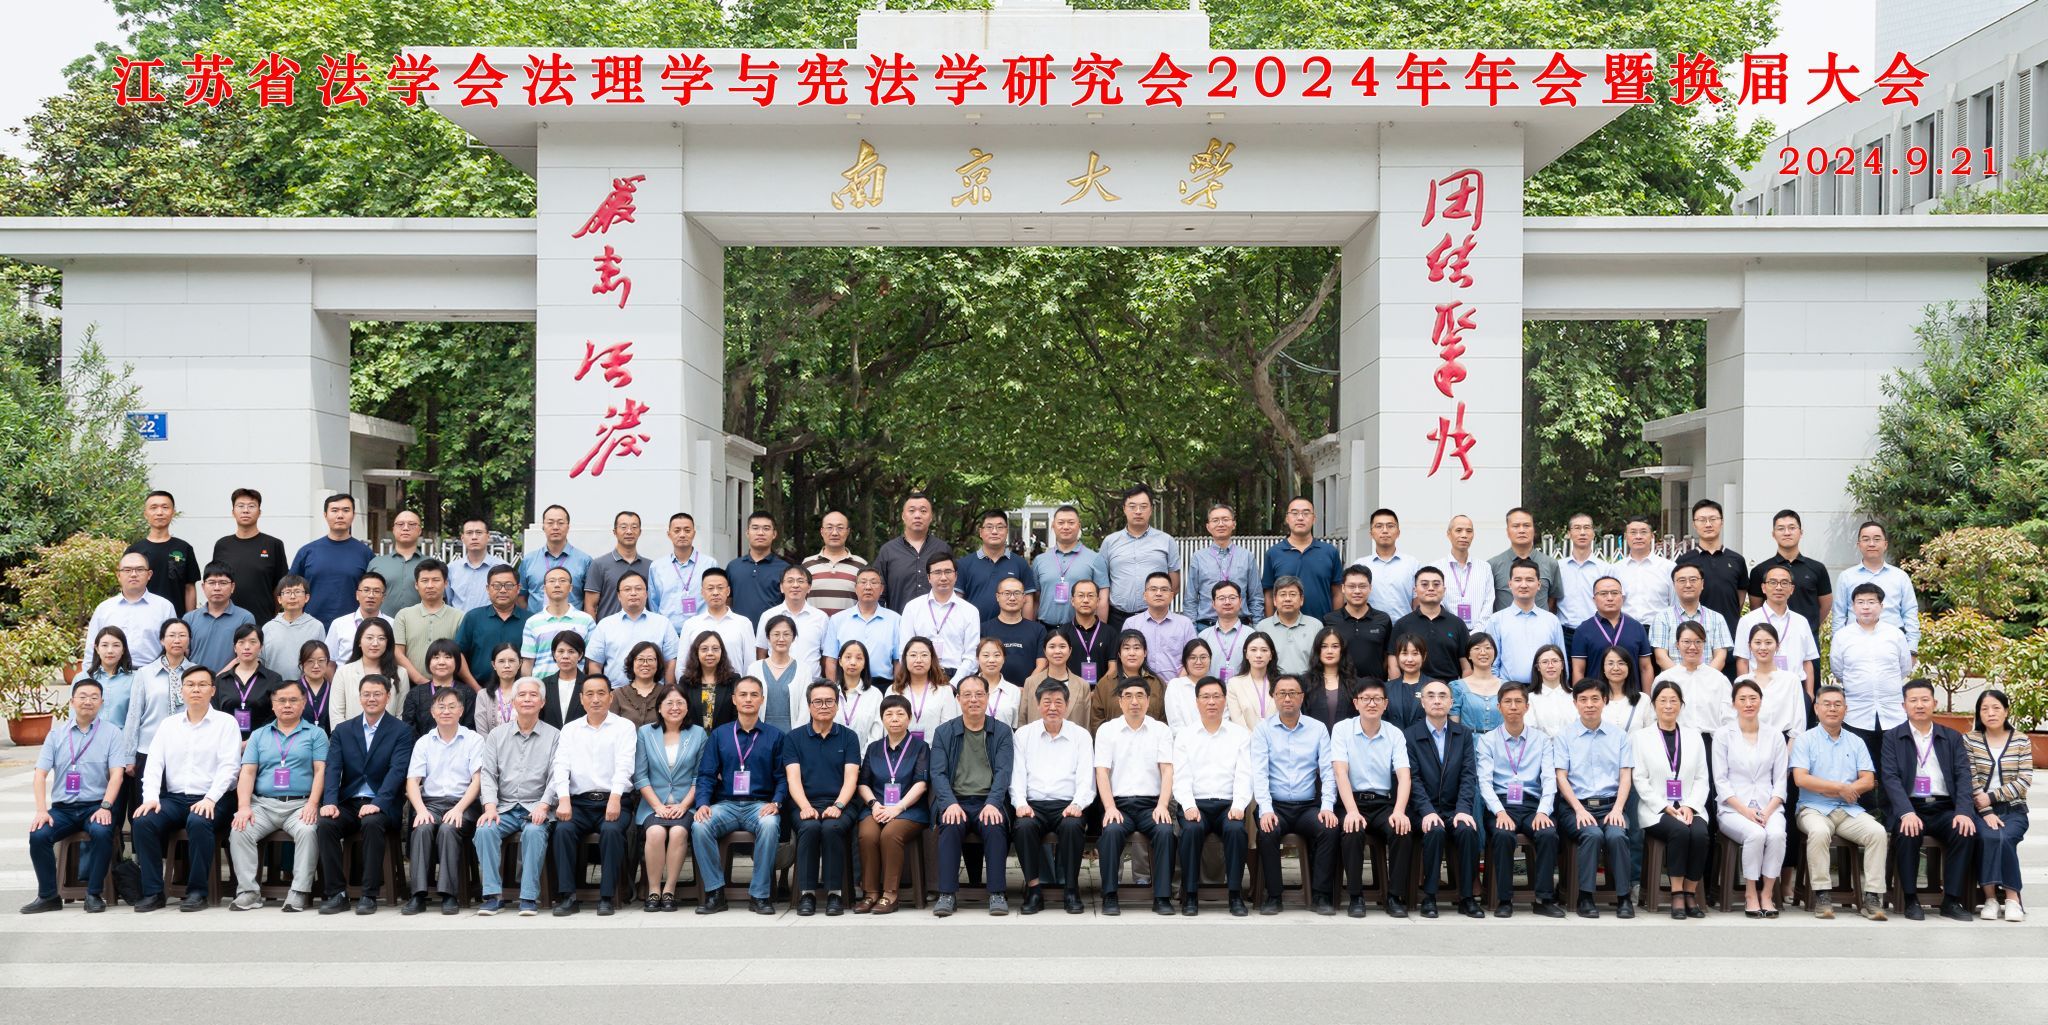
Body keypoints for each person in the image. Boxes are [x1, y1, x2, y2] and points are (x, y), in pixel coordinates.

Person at [130, 666, 241, 912]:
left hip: (215, 799)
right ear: (182, 691)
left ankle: (197, 892)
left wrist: (210, 799)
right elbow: (154, 764)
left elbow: (230, 768)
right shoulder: (169, 725)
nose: (196, 690)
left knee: (199, 821)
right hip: (175, 799)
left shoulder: (226, 723)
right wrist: (150, 798)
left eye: (202, 685)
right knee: (143, 821)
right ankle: (153, 892)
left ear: (213, 690)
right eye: (190, 685)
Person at [21, 679, 129, 914]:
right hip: (63, 809)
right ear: (72, 701)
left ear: (101, 702)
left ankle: (93, 894)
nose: (88, 701)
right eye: (82, 696)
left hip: (96, 807)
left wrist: (106, 806)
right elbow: (40, 775)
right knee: (39, 835)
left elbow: (117, 775)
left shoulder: (112, 733)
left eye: (94, 697)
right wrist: (41, 811)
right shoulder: (56, 735)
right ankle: (48, 896)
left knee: (102, 831)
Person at [1880, 678, 1979, 921]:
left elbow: (1963, 776)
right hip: (1911, 806)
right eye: (1913, 700)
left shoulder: (1952, 737)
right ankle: (1911, 899)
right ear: (1904, 705)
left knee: (1965, 831)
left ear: (1934, 703)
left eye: (1925, 700)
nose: (1919, 705)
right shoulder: (1892, 737)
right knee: (1908, 832)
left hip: (1945, 807)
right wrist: (1906, 812)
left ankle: (1951, 900)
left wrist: (1963, 811)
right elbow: (1890, 778)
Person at [315, 673, 413, 914]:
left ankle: (369, 895)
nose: (371, 699)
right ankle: (337, 893)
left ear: (388, 697)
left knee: (371, 822)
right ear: (359, 698)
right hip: (349, 801)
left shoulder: (401, 731)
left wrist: (379, 802)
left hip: (383, 803)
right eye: (366, 694)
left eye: (377, 694)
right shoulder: (343, 730)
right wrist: (329, 801)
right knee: (326, 824)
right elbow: (333, 768)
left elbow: (398, 771)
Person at [227, 681, 328, 912]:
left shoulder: (316, 734)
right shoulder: (259, 735)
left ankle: (299, 891)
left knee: (308, 831)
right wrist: (244, 806)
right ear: (273, 705)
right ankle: (248, 892)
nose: (287, 705)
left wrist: (313, 803)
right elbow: (248, 772)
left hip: (300, 804)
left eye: (293, 700)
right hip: (263, 805)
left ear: (303, 703)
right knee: (240, 829)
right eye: (281, 700)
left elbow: (321, 770)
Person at [1791, 685, 1890, 920]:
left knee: (1877, 833)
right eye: (1826, 704)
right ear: (1816, 709)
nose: (1832, 709)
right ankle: (1822, 895)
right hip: (1813, 809)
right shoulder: (1804, 740)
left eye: (1837, 704)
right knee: (1818, 832)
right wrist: (1840, 788)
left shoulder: (1856, 742)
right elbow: (1800, 779)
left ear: (1846, 709)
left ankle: (1872, 897)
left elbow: (1868, 780)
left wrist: (1846, 791)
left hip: (1849, 810)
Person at [692, 676, 787, 915]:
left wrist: (776, 802)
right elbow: (706, 775)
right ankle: (715, 892)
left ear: (762, 699)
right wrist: (702, 803)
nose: (748, 699)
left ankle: (760, 895)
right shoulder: (720, 735)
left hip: (760, 805)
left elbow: (783, 777)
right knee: (700, 826)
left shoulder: (775, 736)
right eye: (743, 694)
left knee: (770, 825)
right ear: (734, 699)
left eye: (754, 695)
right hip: (726, 805)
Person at [547, 673, 637, 916]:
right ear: (581, 699)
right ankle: (567, 896)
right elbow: (561, 766)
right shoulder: (570, 729)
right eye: (589, 694)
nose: (595, 699)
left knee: (611, 831)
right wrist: (563, 800)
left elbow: (625, 765)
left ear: (610, 697)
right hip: (579, 803)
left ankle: (606, 896)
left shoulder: (624, 727)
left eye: (601, 693)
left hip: (615, 800)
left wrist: (615, 798)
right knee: (562, 830)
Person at [1250, 674, 1338, 915]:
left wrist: (1327, 806)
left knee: (1328, 828)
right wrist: (1265, 809)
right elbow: (1259, 773)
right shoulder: (1263, 730)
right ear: (1273, 697)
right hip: (1275, 805)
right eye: (1282, 693)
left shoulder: (1317, 729)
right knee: (1267, 830)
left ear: (1302, 697)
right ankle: (1274, 896)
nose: (1287, 698)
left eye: (1293, 693)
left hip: (1307, 807)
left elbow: (1328, 772)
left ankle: (1320, 895)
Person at [472, 677, 560, 917]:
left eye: (533, 695)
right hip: (504, 807)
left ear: (542, 702)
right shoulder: (496, 735)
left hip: (537, 807)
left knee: (533, 832)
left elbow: (557, 776)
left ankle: (528, 896)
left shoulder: (555, 736)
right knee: (485, 830)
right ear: (512, 701)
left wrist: (544, 805)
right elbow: (488, 774)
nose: (527, 699)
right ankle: (492, 895)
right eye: (522, 695)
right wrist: (490, 807)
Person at [1476, 682, 1565, 917]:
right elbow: (1484, 782)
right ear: (1499, 707)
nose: (1513, 706)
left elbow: (1549, 779)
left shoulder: (1541, 740)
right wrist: (1499, 812)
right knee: (1503, 835)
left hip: (1533, 805)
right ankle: (1505, 899)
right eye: (1507, 702)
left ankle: (1544, 899)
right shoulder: (1488, 740)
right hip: (1501, 805)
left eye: (1518, 702)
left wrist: (1543, 811)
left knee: (1548, 834)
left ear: (1527, 706)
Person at [929, 674, 1014, 916]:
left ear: (988, 697)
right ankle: (947, 894)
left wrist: (994, 803)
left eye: (979, 694)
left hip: (989, 800)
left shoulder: (1001, 731)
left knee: (995, 825)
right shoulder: (944, 732)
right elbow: (938, 773)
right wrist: (949, 803)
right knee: (950, 824)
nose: (973, 699)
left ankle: (997, 892)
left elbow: (1004, 772)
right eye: (967, 695)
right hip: (956, 800)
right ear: (958, 699)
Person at [1330, 678, 1415, 918]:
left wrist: (1399, 811)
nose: (1371, 703)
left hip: (1383, 803)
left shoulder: (1394, 733)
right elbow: (1340, 772)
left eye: (1377, 699)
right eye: (1366, 698)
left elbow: (1404, 776)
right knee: (1352, 830)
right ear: (1356, 703)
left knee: (1401, 830)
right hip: (1351, 801)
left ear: (1385, 704)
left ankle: (1394, 896)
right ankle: (1356, 896)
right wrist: (1352, 811)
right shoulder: (1342, 729)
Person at [1011, 679, 1096, 915]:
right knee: (1023, 826)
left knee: (1072, 826)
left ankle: (1071, 889)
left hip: (1068, 803)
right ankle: (1034, 890)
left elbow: (1086, 779)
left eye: (1058, 702)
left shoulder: (1080, 735)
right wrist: (1020, 804)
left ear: (1067, 705)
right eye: (1047, 702)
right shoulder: (1024, 735)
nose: (1052, 707)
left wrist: (1077, 804)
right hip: (1034, 804)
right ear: (1038, 705)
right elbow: (1017, 776)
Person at [1095, 676, 1178, 916]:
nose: (1134, 701)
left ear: (1148, 701)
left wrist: (1163, 805)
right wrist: (1110, 808)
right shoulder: (1107, 730)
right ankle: (1110, 895)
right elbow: (1101, 772)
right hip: (1118, 804)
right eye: (1128, 696)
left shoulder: (1160, 730)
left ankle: (1162, 897)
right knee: (1111, 831)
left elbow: (1167, 770)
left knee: (1165, 831)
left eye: (1140, 696)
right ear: (1120, 701)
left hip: (1151, 805)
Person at [1555, 678, 1637, 919]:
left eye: (1595, 699)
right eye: (1583, 700)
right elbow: (1561, 777)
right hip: (1576, 807)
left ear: (1605, 701)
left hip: (1611, 805)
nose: (1589, 704)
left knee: (1617, 836)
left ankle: (1624, 898)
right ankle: (1585, 897)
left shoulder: (1619, 736)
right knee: (1591, 834)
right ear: (1575, 703)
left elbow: (1625, 776)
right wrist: (1579, 810)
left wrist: (1618, 809)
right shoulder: (1564, 736)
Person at [1172, 676, 1253, 916]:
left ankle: (1235, 895)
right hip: (1196, 804)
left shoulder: (1240, 735)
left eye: (1216, 696)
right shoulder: (1185, 736)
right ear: (1197, 702)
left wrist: (1239, 805)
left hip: (1228, 804)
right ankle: (1190, 895)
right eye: (1205, 697)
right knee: (1191, 830)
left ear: (1224, 700)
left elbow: (1245, 774)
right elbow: (1181, 776)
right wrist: (1188, 806)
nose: (1211, 702)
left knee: (1236, 830)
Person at [782, 679, 863, 916]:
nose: (824, 706)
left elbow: (851, 778)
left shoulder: (849, 737)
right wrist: (805, 807)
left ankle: (834, 894)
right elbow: (793, 779)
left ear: (837, 705)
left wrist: (838, 805)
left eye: (829, 701)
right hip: (804, 803)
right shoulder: (794, 738)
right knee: (809, 827)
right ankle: (806, 894)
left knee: (831, 827)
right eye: (818, 702)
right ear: (809, 705)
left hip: (841, 804)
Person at [402, 687, 483, 916]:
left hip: (464, 803)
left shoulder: (474, 739)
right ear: (433, 712)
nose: (446, 711)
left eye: (451, 706)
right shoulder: (424, 742)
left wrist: (458, 809)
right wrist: (420, 810)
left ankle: (449, 895)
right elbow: (412, 782)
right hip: (431, 803)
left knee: (449, 828)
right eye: (441, 707)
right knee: (422, 827)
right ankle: (418, 894)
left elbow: (477, 781)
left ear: (461, 711)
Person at [1633, 680, 1711, 919]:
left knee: (1700, 834)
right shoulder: (1641, 737)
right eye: (1662, 701)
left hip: (1689, 806)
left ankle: (1690, 892)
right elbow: (1639, 779)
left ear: (1681, 705)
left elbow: (1702, 778)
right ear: (1654, 705)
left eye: (1673, 701)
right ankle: (1677, 892)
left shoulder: (1694, 736)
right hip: (1656, 810)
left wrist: (1690, 806)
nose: (1668, 705)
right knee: (1679, 832)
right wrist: (1664, 806)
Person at [1405, 679, 1483, 918]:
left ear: (1451, 702)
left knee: (1467, 830)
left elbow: (1468, 776)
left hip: (1453, 808)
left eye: (1442, 696)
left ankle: (1467, 897)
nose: (1437, 701)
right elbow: (1412, 779)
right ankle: (1429, 897)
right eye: (1431, 696)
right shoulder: (1410, 735)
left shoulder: (1463, 734)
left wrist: (1463, 810)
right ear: (1422, 702)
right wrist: (1427, 811)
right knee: (1435, 830)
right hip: (1422, 810)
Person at [1715, 678, 1788, 918]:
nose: (1748, 703)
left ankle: (1767, 893)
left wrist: (1767, 811)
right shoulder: (1723, 735)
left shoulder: (1775, 735)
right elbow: (1721, 781)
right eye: (1742, 699)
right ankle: (1750, 893)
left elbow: (1780, 781)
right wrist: (1746, 811)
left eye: (1753, 698)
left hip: (1769, 807)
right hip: (1733, 809)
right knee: (1756, 834)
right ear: (1733, 703)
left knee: (1776, 834)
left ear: (1761, 701)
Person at [856, 693, 930, 914]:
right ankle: (870, 893)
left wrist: (898, 808)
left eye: (900, 714)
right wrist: (874, 804)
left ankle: (890, 894)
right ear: (882, 719)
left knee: (890, 834)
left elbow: (921, 784)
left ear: (909, 718)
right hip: (877, 808)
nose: (895, 718)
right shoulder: (873, 748)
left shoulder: (920, 747)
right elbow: (863, 783)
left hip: (909, 810)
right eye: (889, 714)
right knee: (867, 834)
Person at [1832, 582, 1915, 773]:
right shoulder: (1842, 636)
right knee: (1861, 769)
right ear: (1853, 606)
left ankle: (1889, 795)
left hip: (1892, 712)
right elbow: (1838, 670)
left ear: (1881, 606)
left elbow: (1904, 668)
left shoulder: (1895, 634)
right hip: (1856, 714)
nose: (1866, 607)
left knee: (1892, 769)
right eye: (1860, 602)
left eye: (1871, 602)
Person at [633, 686, 703, 912]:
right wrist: (658, 806)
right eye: (669, 703)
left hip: (685, 804)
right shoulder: (645, 733)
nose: (675, 708)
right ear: (659, 708)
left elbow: (699, 777)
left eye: (680, 703)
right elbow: (640, 776)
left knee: (678, 832)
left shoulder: (698, 734)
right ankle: (654, 890)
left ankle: (669, 890)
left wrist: (684, 805)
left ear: (687, 707)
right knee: (655, 832)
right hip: (653, 805)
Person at [1967, 689, 2031, 922]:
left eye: (1996, 708)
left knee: (2004, 837)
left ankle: (2012, 899)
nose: (1991, 713)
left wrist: (1992, 797)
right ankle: (1991, 899)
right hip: (1979, 811)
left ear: (2006, 711)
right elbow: (1969, 778)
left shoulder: (2021, 740)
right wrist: (1986, 811)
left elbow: (2024, 781)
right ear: (1979, 713)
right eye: (1984, 709)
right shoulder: (1970, 740)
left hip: (2014, 809)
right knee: (1990, 837)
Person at [122, 620, 195, 817]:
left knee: (178, 812)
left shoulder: (197, 673)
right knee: (144, 811)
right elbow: (134, 715)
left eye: (182, 635)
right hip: (148, 750)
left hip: (185, 752)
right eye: (171, 635)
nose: (177, 640)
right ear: (162, 640)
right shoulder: (145, 673)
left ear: (189, 640)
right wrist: (129, 756)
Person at [1098, 486, 1182, 636]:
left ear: (1151, 509)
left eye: (1143, 506)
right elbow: (1102, 584)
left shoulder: (1166, 541)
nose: (1138, 511)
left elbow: (1174, 585)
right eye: (1132, 506)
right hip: (1117, 618)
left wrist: (1157, 606)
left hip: (1154, 617)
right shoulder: (1110, 542)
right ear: (1124, 509)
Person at [1831, 519, 1922, 652]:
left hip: (1893, 643)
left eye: (1877, 539)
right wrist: (1837, 646)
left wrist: (1912, 648)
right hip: (1855, 644)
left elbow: (1910, 612)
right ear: (1859, 545)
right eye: (1866, 539)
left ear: (1885, 544)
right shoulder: (1846, 577)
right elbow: (1839, 615)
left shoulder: (1900, 576)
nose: (1871, 544)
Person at [1734, 564, 1822, 695]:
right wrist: (1746, 691)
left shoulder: (1801, 621)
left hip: (1795, 690)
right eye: (1773, 582)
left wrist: (1809, 694)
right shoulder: (1748, 621)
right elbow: (1742, 660)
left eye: (1784, 583)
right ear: (1763, 588)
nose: (1779, 587)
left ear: (1792, 589)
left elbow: (1807, 661)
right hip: (1759, 689)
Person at [290, 493, 374, 626]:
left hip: (353, 627)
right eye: (334, 510)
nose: (340, 515)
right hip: (310, 626)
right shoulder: (307, 552)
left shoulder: (365, 554)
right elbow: (291, 589)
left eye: (346, 510)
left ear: (353, 515)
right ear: (325, 515)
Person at [586, 571, 681, 689]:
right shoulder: (605, 625)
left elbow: (671, 662)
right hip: (615, 693)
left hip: (655, 693)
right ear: (619, 595)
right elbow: (595, 664)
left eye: (638, 589)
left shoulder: (663, 623)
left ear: (646, 594)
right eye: (627, 589)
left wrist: (668, 692)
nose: (633, 593)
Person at [1748, 509, 1833, 640]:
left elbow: (1826, 604)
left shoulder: (1817, 568)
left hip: (1807, 636)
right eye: (1781, 528)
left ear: (1801, 532)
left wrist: (1810, 626)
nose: (1787, 533)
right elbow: (1756, 607)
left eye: (1792, 528)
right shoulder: (1760, 570)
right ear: (1773, 534)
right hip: (1771, 639)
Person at [1481, 559, 1566, 685]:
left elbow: (1561, 662)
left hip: (1544, 690)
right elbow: (1492, 663)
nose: (1524, 585)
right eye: (1518, 580)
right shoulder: (1496, 620)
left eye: (1530, 580)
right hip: (1509, 689)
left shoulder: (1552, 621)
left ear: (1539, 585)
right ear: (1510, 584)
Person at [85, 552, 176, 668]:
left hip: (152, 674)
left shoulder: (165, 607)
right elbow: (91, 650)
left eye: (139, 569)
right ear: (119, 575)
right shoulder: (104, 609)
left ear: (149, 574)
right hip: (111, 674)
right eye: (127, 570)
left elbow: (173, 648)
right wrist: (88, 675)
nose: (133, 574)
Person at [1190, 501, 1274, 624]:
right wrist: (1192, 630)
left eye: (1225, 519)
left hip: (1241, 626)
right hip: (1207, 626)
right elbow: (1190, 599)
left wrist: (1257, 627)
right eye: (1215, 520)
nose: (1221, 524)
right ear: (1208, 527)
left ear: (1234, 524)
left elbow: (1256, 597)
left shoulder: (1246, 556)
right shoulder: (1198, 557)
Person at [211, 489, 288, 624]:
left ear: (259, 512)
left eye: (251, 506)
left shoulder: (273, 544)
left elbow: (281, 586)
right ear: (233, 512)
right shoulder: (222, 545)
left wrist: (273, 615)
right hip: (225, 620)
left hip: (262, 621)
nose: (245, 510)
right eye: (240, 506)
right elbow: (215, 581)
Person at [899, 552, 980, 679]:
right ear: (928, 577)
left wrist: (954, 684)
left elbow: (972, 657)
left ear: (956, 576)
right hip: (921, 676)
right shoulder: (912, 608)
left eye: (948, 572)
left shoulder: (970, 611)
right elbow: (904, 651)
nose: (943, 577)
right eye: (937, 572)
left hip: (957, 677)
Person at [1031, 504, 1110, 628]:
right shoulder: (1039, 560)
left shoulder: (1095, 559)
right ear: (1053, 526)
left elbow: (1102, 599)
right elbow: (1035, 599)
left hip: (1082, 629)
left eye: (1071, 523)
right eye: (1061, 523)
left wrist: (1100, 632)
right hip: (1046, 628)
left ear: (1079, 526)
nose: (1066, 527)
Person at [453, 565, 531, 689]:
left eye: (509, 585)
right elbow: (458, 654)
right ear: (488, 589)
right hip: (478, 689)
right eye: (497, 586)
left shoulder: (530, 621)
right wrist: (476, 689)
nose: (503, 590)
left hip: (519, 692)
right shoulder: (473, 617)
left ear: (518, 588)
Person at [1675, 498, 1748, 629]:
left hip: (1729, 630)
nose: (1708, 524)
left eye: (1713, 519)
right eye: (1702, 520)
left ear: (1722, 522)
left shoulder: (1737, 560)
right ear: (1694, 524)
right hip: (1694, 632)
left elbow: (1740, 595)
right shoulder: (1684, 561)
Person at [876, 492, 955, 613]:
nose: (917, 515)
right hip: (899, 621)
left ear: (931, 517)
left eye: (923, 511)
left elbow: (953, 588)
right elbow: (878, 593)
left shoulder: (943, 549)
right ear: (903, 516)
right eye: (912, 511)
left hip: (939, 621)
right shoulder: (888, 551)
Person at [1570, 575, 1655, 687]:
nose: (1610, 598)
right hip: (1596, 695)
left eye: (1615, 593)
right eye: (1603, 594)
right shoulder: (1583, 630)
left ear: (1622, 598)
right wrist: (1580, 696)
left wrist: (1647, 697)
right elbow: (1578, 670)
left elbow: (1646, 668)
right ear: (1594, 599)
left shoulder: (1637, 627)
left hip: (1631, 694)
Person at [1391, 567, 1471, 684]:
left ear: (1444, 589)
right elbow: (1393, 663)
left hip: (1449, 688)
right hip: (1411, 688)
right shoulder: (1402, 624)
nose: (1431, 588)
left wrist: (1462, 691)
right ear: (1415, 590)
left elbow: (1466, 666)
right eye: (1424, 584)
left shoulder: (1457, 624)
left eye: (1436, 584)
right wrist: (1397, 690)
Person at [824, 567, 903, 685]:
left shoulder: (895, 620)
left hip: (883, 685)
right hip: (846, 685)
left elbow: (898, 661)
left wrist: (896, 689)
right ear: (855, 588)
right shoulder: (838, 619)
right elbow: (831, 660)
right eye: (863, 582)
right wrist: (834, 690)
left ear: (881, 589)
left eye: (874, 582)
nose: (868, 587)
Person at [1649, 565, 1734, 673]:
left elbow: (1720, 657)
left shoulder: (1717, 618)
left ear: (1702, 584)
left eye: (1693, 580)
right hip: (1673, 681)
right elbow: (1661, 657)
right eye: (1682, 580)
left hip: (1708, 680)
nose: (1688, 585)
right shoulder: (1662, 618)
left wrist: (1704, 678)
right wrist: (1683, 679)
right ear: (1674, 585)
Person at [1656, 622, 1733, 739]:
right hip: (1676, 740)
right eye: (1686, 642)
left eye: (1698, 642)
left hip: (1711, 741)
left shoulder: (1719, 679)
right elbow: (1655, 716)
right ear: (1677, 644)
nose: (1692, 647)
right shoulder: (1665, 678)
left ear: (1704, 644)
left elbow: (1729, 718)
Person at [519, 566, 596, 680]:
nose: (557, 585)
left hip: (576, 686)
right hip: (541, 685)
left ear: (570, 587)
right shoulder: (532, 622)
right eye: (552, 581)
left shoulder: (586, 620)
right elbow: (528, 662)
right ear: (544, 588)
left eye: (562, 581)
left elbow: (592, 660)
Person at [129, 490, 199, 614]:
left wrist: (189, 620)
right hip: (142, 617)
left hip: (176, 619)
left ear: (173, 512)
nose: (159, 512)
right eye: (154, 508)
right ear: (145, 514)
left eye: (165, 507)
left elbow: (189, 588)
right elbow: (128, 587)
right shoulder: (134, 551)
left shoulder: (184, 548)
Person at [957, 509, 1035, 620]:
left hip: (1012, 628)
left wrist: (1027, 628)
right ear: (981, 532)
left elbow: (1027, 600)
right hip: (974, 628)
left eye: (1000, 527)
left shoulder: (1020, 564)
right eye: (989, 527)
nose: (994, 531)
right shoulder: (964, 564)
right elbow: (958, 600)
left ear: (1007, 531)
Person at [391, 561, 460, 684]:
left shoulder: (459, 616)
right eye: (424, 581)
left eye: (435, 580)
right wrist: (420, 680)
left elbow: (461, 656)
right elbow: (398, 653)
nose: (430, 585)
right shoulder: (403, 615)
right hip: (410, 685)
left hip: (448, 686)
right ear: (416, 585)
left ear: (445, 583)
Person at [678, 568, 757, 676]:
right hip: (698, 685)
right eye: (710, 588)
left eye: (720, 588)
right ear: (702, 592)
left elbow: (750, 663)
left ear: (728, 591)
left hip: (735, 685)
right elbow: (682, 665)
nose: (715, 593)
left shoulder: (743, 623)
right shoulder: (691, 624)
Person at [514, 504, 592, 613]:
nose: (555, 527)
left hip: (572, 622)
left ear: (568, 527)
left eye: (560, 523)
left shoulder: (584, 561)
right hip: (537, 622)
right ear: (543, 527)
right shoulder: (528, 561)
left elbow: (590, 601)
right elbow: (520, 596)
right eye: (550, 523)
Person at [1735, 624, 1807, 741]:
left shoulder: (1791, 680)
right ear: (1750, 646)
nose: (1763, 647)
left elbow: (1799, 721)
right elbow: (1736, 717)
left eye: (1768, 643)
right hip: (1749, 740)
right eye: (1757, 643)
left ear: (1777, 646)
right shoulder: (1741, 681)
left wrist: (1789, 747)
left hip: (1784, 740)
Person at [1324, 565, 1394, 683]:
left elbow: (1388, 655)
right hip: (1340, 686)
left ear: (1370, 588)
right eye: (1351, 586)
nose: (1357, 591)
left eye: (1362, 586)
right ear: (1343, 588)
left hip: (1374, 687)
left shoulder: (1383, 619)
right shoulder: (1329, 620)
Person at [183, 563, 255, 674]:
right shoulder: (189, 618)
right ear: (203, 587)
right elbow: (183, 654)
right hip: (195, 681)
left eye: (223, 583)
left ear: (232, 587)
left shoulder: (245, 618)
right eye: (211, 582)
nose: (217, 588)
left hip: (230, 681)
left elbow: (244, 656)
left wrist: (218, 679)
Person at [1487, 507, 1562, 613]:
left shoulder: (1551, 564)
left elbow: (1553, 601)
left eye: (1526, 525)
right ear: (1507, 531)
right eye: (1516, 526)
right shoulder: (1492, 565)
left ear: (1534, 530)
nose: (1521, 530)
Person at [650, 512, 714, 632]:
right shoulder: (656, 567)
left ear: (694, 533)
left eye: (687, 530)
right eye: (677, 530)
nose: (682, 534)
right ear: (669, 534)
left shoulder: (709, 564)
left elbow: (714, 599)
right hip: (667, 632)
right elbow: (654, 603)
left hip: (701, 632)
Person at [333, 618, 407, 723]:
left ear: (388, 643)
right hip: (349, 733)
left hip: (390, 733)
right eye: (369, 638)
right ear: (359, 641)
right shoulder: (343, 673)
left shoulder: (401, 673)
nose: (375, 643)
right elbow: (336, 715)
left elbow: (401, 715)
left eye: (381, 638)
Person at [216, 623, 282, 739]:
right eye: (241, 642)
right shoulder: (221, 680)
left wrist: (253, 741)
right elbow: (214, 714)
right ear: (235, 647)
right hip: (225, 741)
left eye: (253, 642)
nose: (247, 647)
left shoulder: (273, 679)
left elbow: (275, 716)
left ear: (261, 647)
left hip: (262, 742)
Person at [888, 637, 960, 743]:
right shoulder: (894, 690)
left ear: (932, 659)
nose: (918, 660)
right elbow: (887, 727)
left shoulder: (945, 691)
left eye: (924, 655)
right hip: (901, 750)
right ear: (905, 659)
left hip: (935, 750)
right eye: (913, 655)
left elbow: (948, 731)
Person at [584, 510, 653, 620]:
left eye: (634, 527)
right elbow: (590, 606)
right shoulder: (599, 564)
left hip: (644, 628)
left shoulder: (651, 566)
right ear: (614, 531)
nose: (629, 531)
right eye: (623, 527)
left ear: (640, 532)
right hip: (609, 629)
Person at [400, 639, 476, 739]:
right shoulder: (415, 694)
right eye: (436, 657)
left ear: (457, 662)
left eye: (448, 657)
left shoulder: (468, 693)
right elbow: (408, 728)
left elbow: (470, 727)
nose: (441, 662)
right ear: (428, 662)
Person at [1089, 630, 1166, 727]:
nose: (1132, 653)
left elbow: (1164, 721)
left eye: (1137, 648)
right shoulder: (1105, 684)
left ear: (1145, 653)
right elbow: (1096, 722)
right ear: (1119, 654)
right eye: (1126, 648)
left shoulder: (1158, 684)